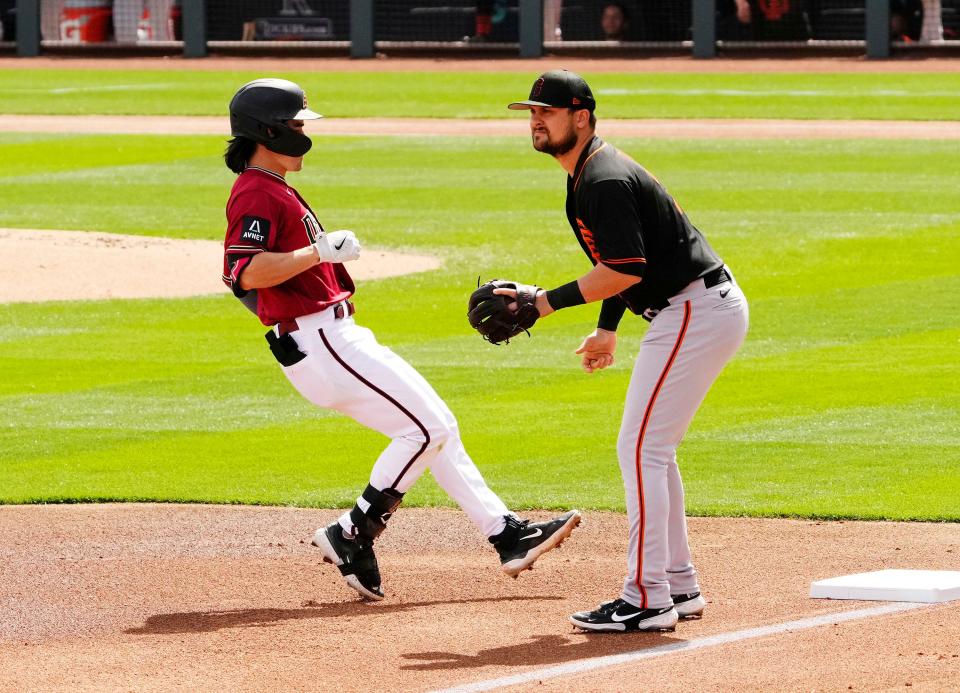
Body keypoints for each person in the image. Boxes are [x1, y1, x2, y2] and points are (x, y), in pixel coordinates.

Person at [221, 78, 581, 602]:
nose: (304, 132)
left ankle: (506, 535)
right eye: (296, 123)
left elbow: (252, 285)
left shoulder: (271, 184)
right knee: (425, 429)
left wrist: (294, 297)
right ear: (267, 129)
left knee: (438, 428)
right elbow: (244, 273)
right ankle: (352, 534)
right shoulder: (256, 189)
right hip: (322, 341)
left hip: (328, 336)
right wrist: (316, 256)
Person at [502, 70, 749, 632]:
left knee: (641, 449)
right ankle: (677, 585)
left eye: (547, 111)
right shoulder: (589, 171)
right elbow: (619, 262)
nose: (535, 120)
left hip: (694, 310)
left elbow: (624, 267)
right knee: (652, 449)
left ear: (581, 117)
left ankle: (646, 597)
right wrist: (608, 327)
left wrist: (544, 303)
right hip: (695, 308)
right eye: (531, 112)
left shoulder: (602, 179)